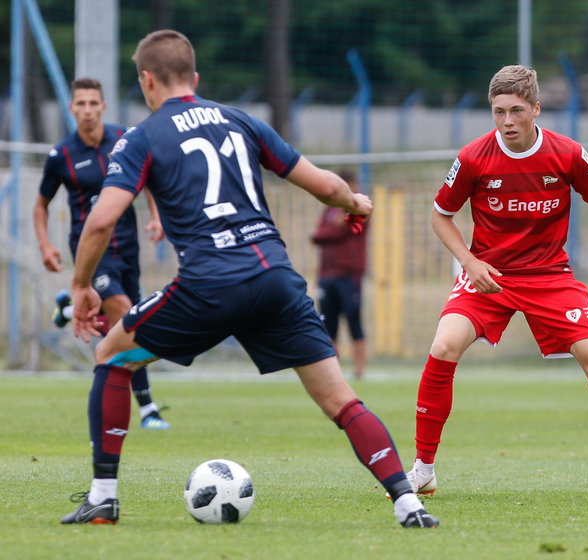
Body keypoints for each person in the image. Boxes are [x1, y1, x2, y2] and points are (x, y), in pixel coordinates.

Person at [60, 29, 438, 529]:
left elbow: (103, 220)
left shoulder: (142, 137)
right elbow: (323, 184)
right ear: (194, 78)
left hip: (209, 284)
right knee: (341, 399)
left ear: (146, 80)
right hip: (277, 280)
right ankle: (408, 504)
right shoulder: (242, 121)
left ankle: (103, 499)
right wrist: (353, 203)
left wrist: (82, 284)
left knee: (112, 354)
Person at [405, 65, 588, 501]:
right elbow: (440, 216)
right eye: (498, 112)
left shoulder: (567, 154)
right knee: (443, 346)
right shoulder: (474, 157)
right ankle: (423, 470)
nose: (507, 121)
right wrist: (469, 261)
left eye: (516, 111)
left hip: (550, 276)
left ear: (536, 108)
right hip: (490, 275)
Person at [33, 77, 170, 430]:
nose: (88, 110)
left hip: (127, 246)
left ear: (104, 107)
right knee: (129, 318)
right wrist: (46, 244)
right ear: (72, 108)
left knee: (129, 319)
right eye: (81, 104)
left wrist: (155, 217)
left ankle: (68, 308)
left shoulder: (124, 139)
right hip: (91, 252)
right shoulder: (61, 155)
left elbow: (148, 178)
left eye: (94, 103)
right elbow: (40, 205)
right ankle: (148, 408)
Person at [311, 169, 368, 379]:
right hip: (327, 274)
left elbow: (338, 230)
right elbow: (317, 235)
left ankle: (359, 370)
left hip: (349, 274)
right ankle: (333, 369)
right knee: (329, 324)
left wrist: (332, 229)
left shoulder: (360, 207)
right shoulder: (329, 210)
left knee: (354, 320)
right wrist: (332, 228)